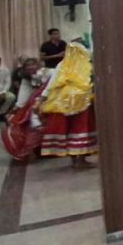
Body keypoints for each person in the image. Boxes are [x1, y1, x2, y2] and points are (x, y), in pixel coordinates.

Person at [38, 40, 98, 168]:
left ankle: (75, 160)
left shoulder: (63, 64)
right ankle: (80, 160)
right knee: (81, 129)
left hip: (63, 103)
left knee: (69, 130)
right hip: (82, 103)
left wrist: (41, 100)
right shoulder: (86, 64)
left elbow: (51, 84)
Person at [0, 58, 53, 161]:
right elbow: (23, 97)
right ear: (24, 68)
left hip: (52, 100)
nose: (30, 67)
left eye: (33, 64)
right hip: (37, 103)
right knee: (30, 121)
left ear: (38, 65)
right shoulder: (26, 79)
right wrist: (15, 109)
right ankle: (39, 148)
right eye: (28, 65)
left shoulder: (49, 72)